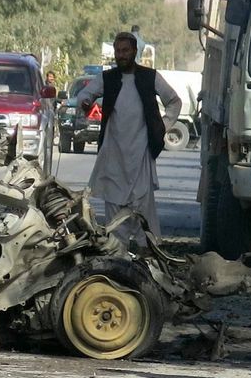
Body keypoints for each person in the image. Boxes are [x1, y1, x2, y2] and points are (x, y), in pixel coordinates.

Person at [76, 32, 181, 247]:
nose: (121, 55)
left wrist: (162, 127)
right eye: (117, 51)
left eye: (125, 51)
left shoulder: (150, 77)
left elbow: (174, 101)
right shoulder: (107, 78)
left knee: (145, 220)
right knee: (115, 223)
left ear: (134, 51)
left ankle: (150, 263)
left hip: (141, 156)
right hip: (114, 158)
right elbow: (84, 96)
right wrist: (86, 102)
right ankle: (118, 262)